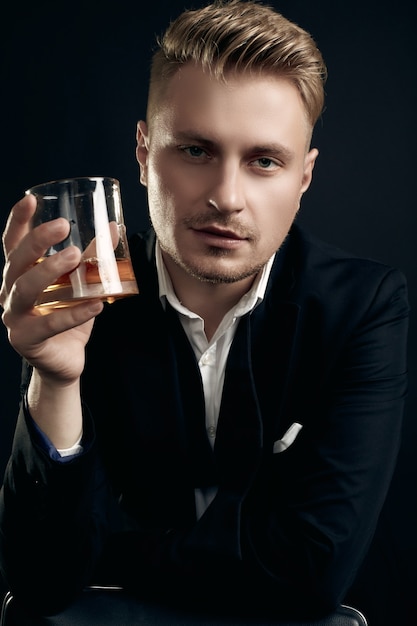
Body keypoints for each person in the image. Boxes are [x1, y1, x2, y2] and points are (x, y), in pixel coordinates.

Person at [0, 0, 409, 620]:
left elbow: (311, 575)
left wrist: (111, 553)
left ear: (304, 176)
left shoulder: (363, 307)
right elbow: (43, 586)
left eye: (264, 161)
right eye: (195, 151)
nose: (226, 198)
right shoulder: (85, 301)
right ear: (143, 153)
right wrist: (56, 380)